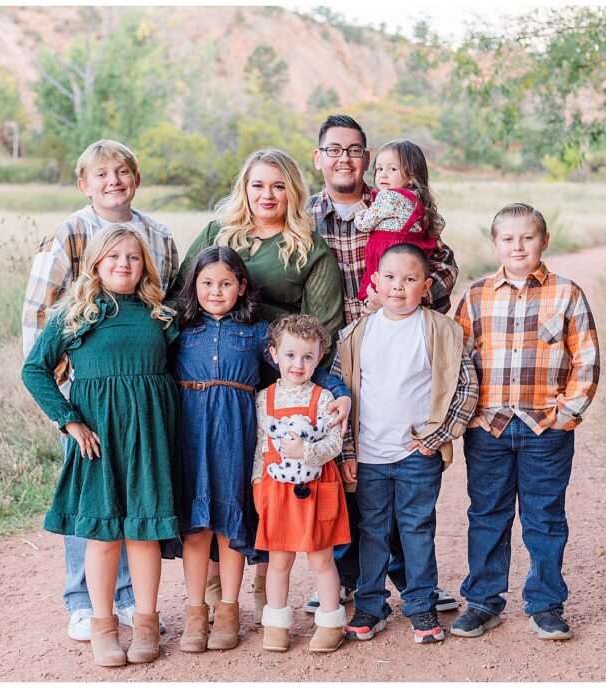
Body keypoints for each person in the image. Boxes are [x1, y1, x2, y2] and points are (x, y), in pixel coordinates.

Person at [174, 148, 347, 614]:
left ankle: (261, 579)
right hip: (218, 375)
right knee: (213, 474)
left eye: (277, 185)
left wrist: (334, 390)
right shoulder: (218, 233)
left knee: (261, 481)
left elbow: (323, 329)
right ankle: (212, 587)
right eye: (257, 185)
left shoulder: (308, 248)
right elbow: (182, 292)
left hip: (278, 386)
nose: (266, 194)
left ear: (292, 191)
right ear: (244, 189)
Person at [20, 139, 178, 641]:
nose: (114, 181)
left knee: (142, 513)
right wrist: (65, 411)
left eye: (124, 172)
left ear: (136, 178)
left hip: (146, 411)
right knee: (95, 513)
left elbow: (173, 319)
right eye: (102, 174)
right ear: (85, 183)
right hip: (89, 402)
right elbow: (37, 334)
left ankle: (136, 607)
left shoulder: (159, 237)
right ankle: (88, 605)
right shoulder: (68, 236)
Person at [304, 114, 461, 614]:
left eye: (353, 150)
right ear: (319, 158)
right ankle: (349, 578)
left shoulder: (393, 202)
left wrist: (407, 297)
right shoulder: (306, 215)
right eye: (334, 149)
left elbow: (444, 263)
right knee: (347, 469)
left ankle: (412, 580)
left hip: (394, 341)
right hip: (333, 354)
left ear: (367, 159)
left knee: (396, 471)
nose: (344, 158)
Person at [449, 202, 600, 641]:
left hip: (544, 429)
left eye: (527, 238)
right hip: (489, 427)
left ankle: (546, 604)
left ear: (544, 241)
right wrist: (470, 416)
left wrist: (566, 416)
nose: (518, 246)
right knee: (487, 514)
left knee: (545, 516)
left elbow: (585, 358)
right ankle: (483, 601)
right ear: (495, 244)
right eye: (508, 239)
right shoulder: (476, 295)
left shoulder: (566, 293)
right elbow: (459, 360)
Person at [329, 243, 477, 644]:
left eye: (410, 279)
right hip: (369, 456)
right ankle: (371, 605)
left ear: (425, 286)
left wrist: (435, 438)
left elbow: (465, 389)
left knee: (416, 528)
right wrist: (346, 452)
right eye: (390, 278)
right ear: (374, 282)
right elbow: (338, 396)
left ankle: (421, 606)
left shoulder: (443, 330)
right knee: (372, 531)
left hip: (417, 454)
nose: (398, 287)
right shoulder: (354, 334)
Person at [252, 315, 350, 653]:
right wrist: (257, 485)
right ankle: (276, 623)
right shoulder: (263, 399)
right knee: (278, 561)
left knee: (321, 559)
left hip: (315, 488)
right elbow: (259, 447)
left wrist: (306, 451)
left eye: (308, 356)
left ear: (319, 356)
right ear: (274, 354)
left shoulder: (324, 398)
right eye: (291, 355)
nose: (299, 364)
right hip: (275, 490)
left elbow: (335, 443)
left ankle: (330, 621)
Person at [354, 139, 445, 304]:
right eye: (379, 168)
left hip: (387, 251)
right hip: (411, 257)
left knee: (378, 287)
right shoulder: (417, 199)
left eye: (392, 169)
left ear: (411, 176)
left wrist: (360, 213)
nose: (383, 174)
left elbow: (364, 224)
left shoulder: (390, 196)